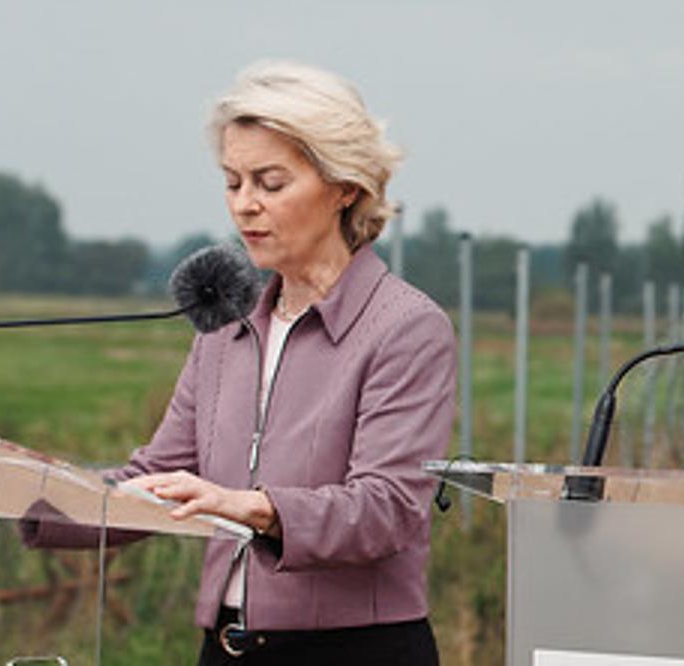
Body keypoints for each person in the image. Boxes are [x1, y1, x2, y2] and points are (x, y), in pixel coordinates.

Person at [120, 61, 455, 664]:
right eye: (232, 182)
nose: (244, 206)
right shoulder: (225, 324)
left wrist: (247, 505)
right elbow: (155, 474)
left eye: (270, 184)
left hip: (356, 653)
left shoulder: (407, 327)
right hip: (225, 650)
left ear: (344, 186)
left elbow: (387, 509)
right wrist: (21, 499)